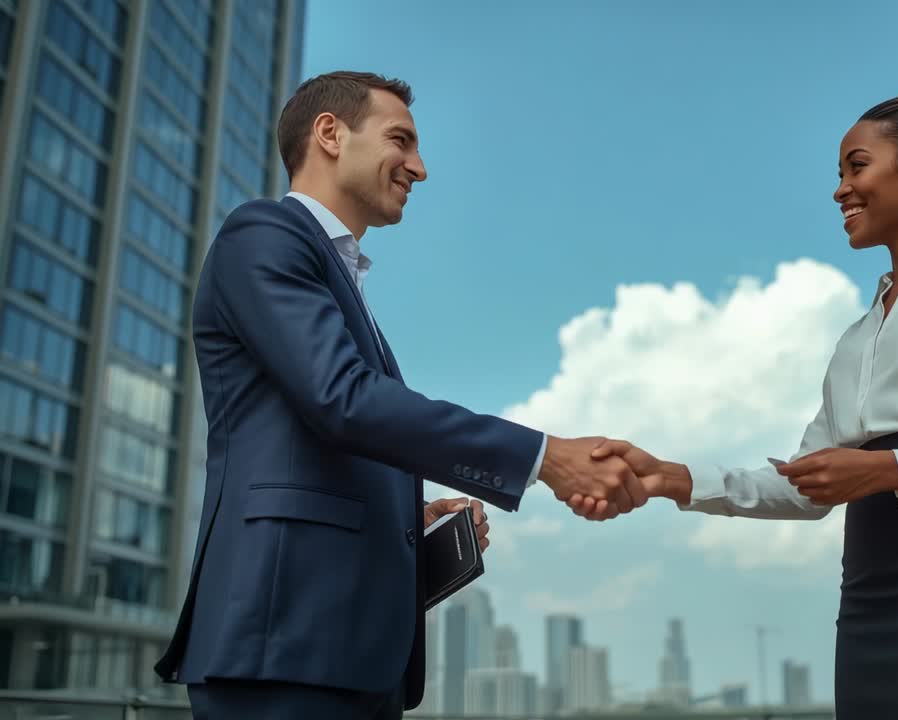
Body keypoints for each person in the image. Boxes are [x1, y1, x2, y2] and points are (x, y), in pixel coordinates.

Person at [153, 71, 645, 720]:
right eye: (400, 140)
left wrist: (402, 518)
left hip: (346, 653)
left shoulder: (338, 276)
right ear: (330, 134)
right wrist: (544, 456)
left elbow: (329, 430)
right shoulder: (263, 234)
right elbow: (344, 399)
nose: (419, 167)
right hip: (283, 643)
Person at [586, 94, 898, 719]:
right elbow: (807, 487)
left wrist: (887, 469)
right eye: (840, 173)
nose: (840, 189)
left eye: (857, 166)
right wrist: (672, 478)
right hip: (870, 592)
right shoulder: (857, 338)